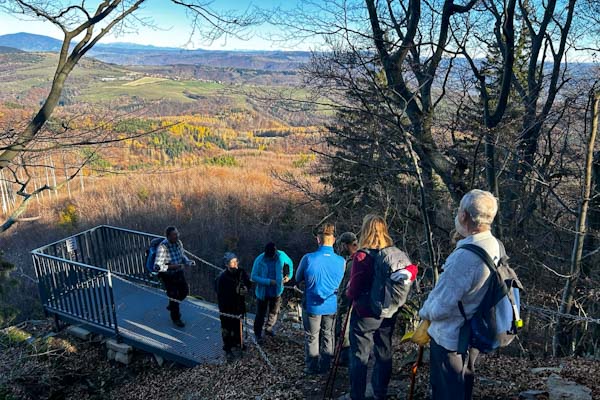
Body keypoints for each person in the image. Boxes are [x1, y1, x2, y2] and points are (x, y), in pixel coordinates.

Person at [419, 189, 500, 400]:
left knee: (447, 392)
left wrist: (424, 311)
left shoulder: (464, 257)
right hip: (473, 331)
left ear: (464, 216)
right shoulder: (494, 245)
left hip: (450, 339)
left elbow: (441, 306)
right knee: (462, 390)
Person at [346, 215, 418, 400]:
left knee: (359, 356)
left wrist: (348, 293)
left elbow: (354, 289)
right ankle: (380, 392)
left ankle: (357, 395)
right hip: (388, 311)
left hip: (364, 314)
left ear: (365, 230)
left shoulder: (362, 256)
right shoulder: (393, 253)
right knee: (384, 352)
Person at [296, 223, 345, 375]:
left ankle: (312, 368)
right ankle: (326, 367)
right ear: (334, 240)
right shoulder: (342, 261)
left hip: (312, 303)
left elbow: (298, 278)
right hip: (331, 304)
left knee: (312, 336)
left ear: (318, 240)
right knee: (328, 335)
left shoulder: (308, 258)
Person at [251, 242, 294, 341]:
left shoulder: (281, 255)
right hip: (263, 292)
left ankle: (269, 328)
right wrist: (269, 282)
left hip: (276, 291)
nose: (271, 257)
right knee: (260, 314)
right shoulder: (259, 260)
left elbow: (290, 263)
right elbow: (253, 277)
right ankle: (257, 333)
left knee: (273, 312)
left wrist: (289, 276)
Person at [154, 226, 195, 327]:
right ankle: (176, 318)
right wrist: (173, 267)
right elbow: (158, 267)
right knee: (174, 296)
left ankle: (172, 306)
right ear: (168, 236)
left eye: (177, 234)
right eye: (174, 235)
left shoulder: (178, 243)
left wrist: (188, 261)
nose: (177, 236)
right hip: (168, 275)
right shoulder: (162, 248)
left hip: (179, 272)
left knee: (184, 291)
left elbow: (182, 255)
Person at [215, 252, 251, 360]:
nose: (235, 264)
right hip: (226, 308)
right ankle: (228, 348)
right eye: (232, 262)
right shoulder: (222, 278)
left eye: (236, 261)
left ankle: (238, 343)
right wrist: (234, 292)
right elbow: (220, 294)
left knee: (238, 326)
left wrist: (246, 289)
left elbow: (248, 283)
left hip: (239, 306)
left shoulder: (241, 272)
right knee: (226, 328)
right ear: (227, 264)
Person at [335, 231, 358, 366]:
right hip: (355, 302)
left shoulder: (353, 261)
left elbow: (348, 285)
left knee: (344, 329)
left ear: (345, 245)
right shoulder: (360, 257)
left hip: (348, 303)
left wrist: (342, 300)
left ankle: (345, 358)